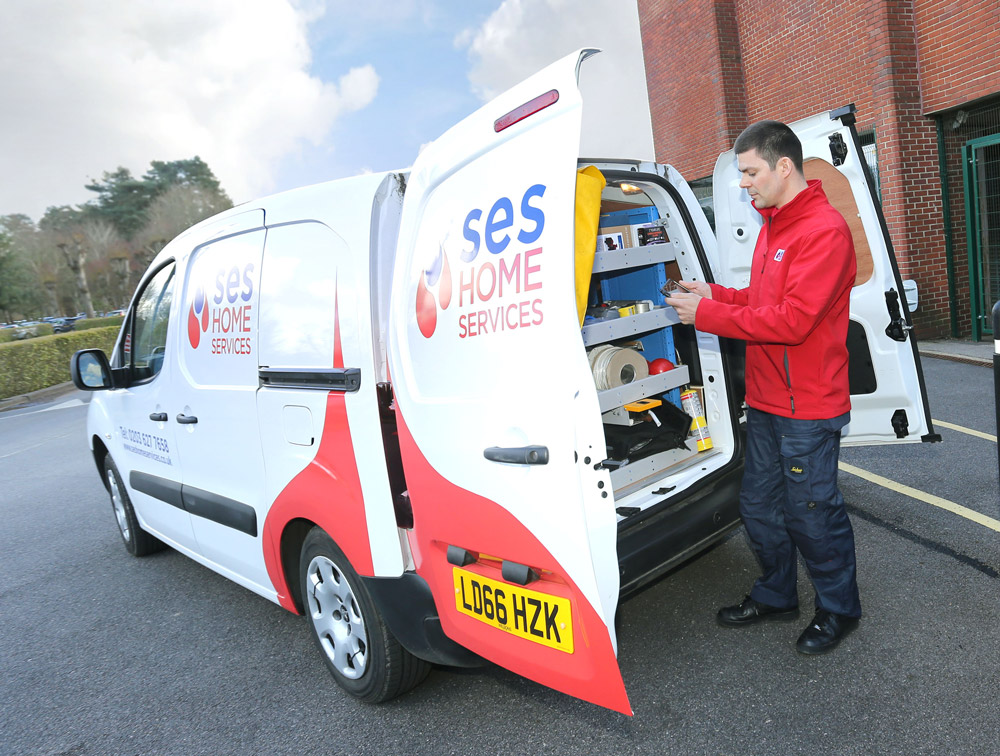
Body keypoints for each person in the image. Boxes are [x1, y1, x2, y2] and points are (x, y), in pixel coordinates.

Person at [665, 120, 861, 655]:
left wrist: (704, 314)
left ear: (783, 166)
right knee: (759, 509)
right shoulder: (775, 224)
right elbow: (764, 298)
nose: (744, 184)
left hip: (808, 410)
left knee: (812, 516)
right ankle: (778, 594)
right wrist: (716, 294)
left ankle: (839, 610)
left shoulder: (823, 230)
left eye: (750, 172)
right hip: (771, 402)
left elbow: (793, 321)